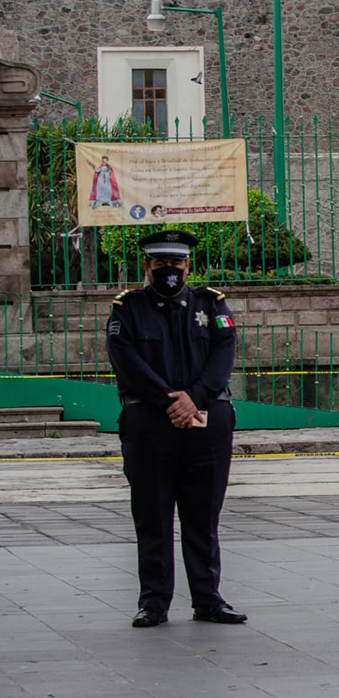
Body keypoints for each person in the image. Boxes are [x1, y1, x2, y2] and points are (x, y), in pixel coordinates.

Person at [106, 229, 243, 628]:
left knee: (203, 518)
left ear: (188, 266)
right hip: (150, 424)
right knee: (153, 517)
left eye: (176, 263)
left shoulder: (210, 304)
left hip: (206, 421)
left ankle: (208, 599)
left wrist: (194, 397)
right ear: (147, 266)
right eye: (161, 263)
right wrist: (172, 401)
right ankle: (154, 602)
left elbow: (223, 353)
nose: (170, 270)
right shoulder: (128, 309)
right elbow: (126, 360)